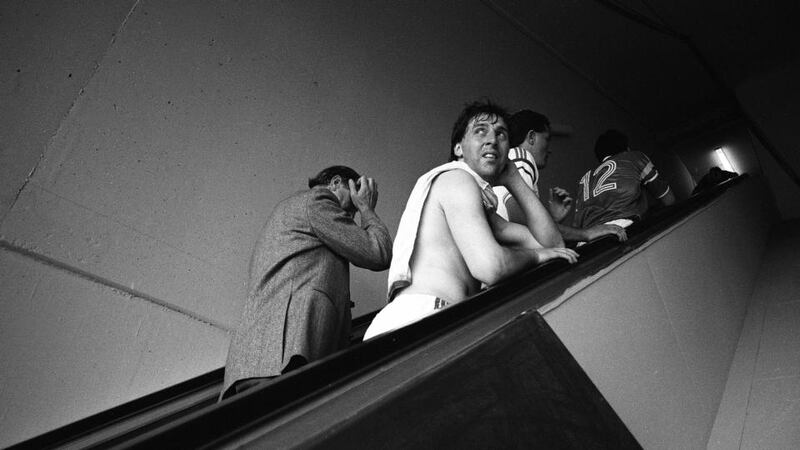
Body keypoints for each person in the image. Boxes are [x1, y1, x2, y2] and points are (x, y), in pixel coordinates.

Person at [363, 101, 578, 339]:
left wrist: (514, 179)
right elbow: (491, 266)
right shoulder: (456, 180)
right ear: (458, 148)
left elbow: (554, 246)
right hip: (419, 318)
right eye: (480, 131)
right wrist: (536, 256)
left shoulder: (479, 206)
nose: (492, 140)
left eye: (501, 134)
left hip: (424, 319)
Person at [221, 166, 392, 399]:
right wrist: (366, 208)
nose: (349, 220)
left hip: (260, 361)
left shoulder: (292, 210)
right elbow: (378, 252)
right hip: (284, 359)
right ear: (335, 183)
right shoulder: (318, 201)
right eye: (349, 209)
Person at [495, 109, 627, 244]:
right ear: (531, 137)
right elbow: (520, 219)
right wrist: (586, 234)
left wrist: (553, 219)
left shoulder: (511, 160)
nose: (549, 149)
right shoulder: (521, 156)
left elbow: (532, 230)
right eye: (546, 139)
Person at [573, 129, 675, 229]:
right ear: (627, 148)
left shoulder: (584, 179)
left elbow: (577, 224)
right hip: (625, 229)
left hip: (589, 241)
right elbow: (668, 199)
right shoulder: (634, 157)